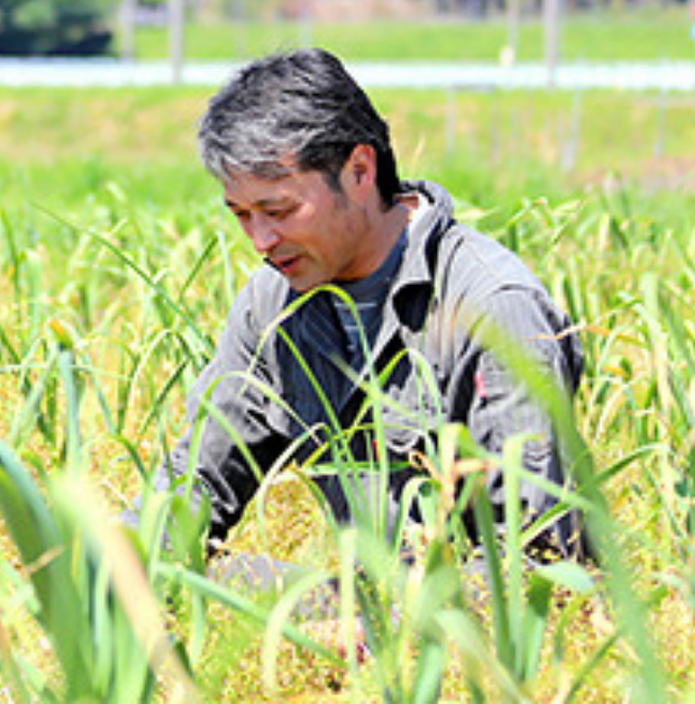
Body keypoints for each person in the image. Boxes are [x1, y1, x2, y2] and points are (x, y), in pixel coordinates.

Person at [144, 48, 585, 573]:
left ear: (358, 170)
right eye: (241, 215)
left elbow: (539, 562)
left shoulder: (493, 307)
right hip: (359, 604)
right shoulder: (272, 304)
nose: (260, 239)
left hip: (461, 624)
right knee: (174, 571)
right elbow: (196, 484)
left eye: (278, 211)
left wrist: (365, 633)